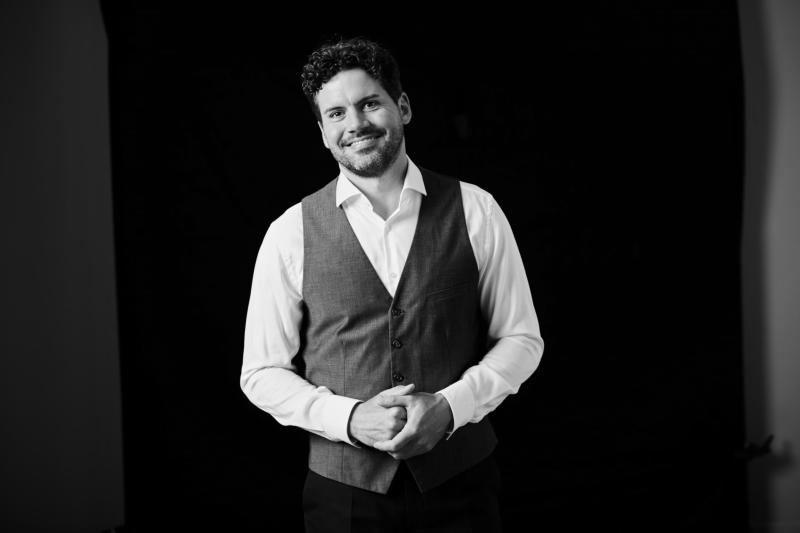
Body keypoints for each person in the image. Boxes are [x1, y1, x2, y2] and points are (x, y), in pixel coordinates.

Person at [240, 37, 543, 532]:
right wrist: (349, 417)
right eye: (336, 113)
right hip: (344, 497)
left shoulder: (477, 210)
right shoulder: (289, 232)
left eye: (369, 104)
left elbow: (522, 339)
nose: (355, 124)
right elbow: (261, 372)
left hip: (461, 485)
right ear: (322, 133)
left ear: (402, 107)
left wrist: (450, 407)